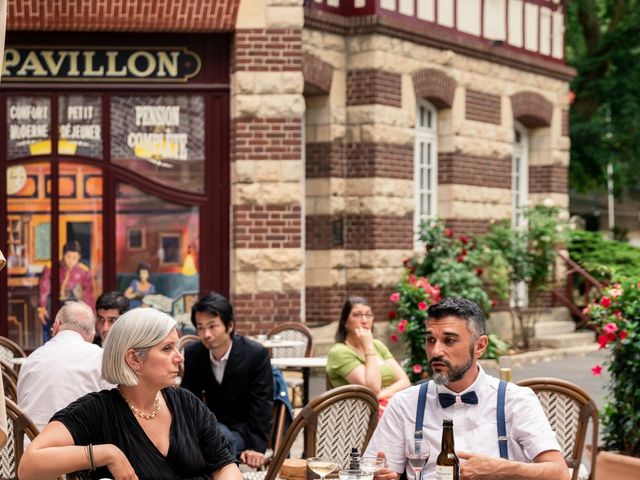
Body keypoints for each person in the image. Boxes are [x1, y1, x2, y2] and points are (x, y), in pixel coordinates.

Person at [18, 307, 242, 480]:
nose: (179, 357)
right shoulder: (98, 411)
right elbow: (28, 466)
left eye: (176, 347)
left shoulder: (186, 403)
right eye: (167, 348)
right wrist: (107, 453)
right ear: (134, 359)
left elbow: (224, 464)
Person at [366, 297, 569, 480]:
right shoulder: (405, 404)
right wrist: (376, 476)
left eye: (449, 340)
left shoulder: (515, 400)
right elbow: (377, 470)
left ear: (479, 346)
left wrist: (502, 469)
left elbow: (559, 474)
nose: (436, 351)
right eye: (430, 340)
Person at [181, 291, 273, 468]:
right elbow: (189, 398)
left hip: (243, 428)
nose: (206, 334)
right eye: (200, 327)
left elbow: (262, 403)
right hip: (211, 425)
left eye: (212, 326)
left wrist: (256, 447)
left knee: (220, 443)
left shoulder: (255, 354)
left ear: (229, 326)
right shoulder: (194, 353)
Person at [17, 302, 113, 432]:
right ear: (91, 335)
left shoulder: (32, 359)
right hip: (81, 449)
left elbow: (20, 406)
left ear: (56, 326)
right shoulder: (100, 357)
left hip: (28, 446)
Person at [326, 296, 411, 409]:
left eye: (369, 315)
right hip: (358, 415)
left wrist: (382, 394)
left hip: (389, 405)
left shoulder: (377, 345)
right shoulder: (340, 352)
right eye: (357, 315)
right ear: (345, 322)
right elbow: (371, 389)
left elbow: (405, 381)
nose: (365, 320)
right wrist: (368, 348)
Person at [38, 240, 94, 343]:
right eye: (68, 257)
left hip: (74, 308)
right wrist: (42, 307)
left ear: (79, 257)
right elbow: (44, 288)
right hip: (54, 306)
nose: (71, 261)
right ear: (63, 255)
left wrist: (91, 312)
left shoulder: (84, 271)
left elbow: (88, 295)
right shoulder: (50, 267)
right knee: (50, 333)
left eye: (74, 258)